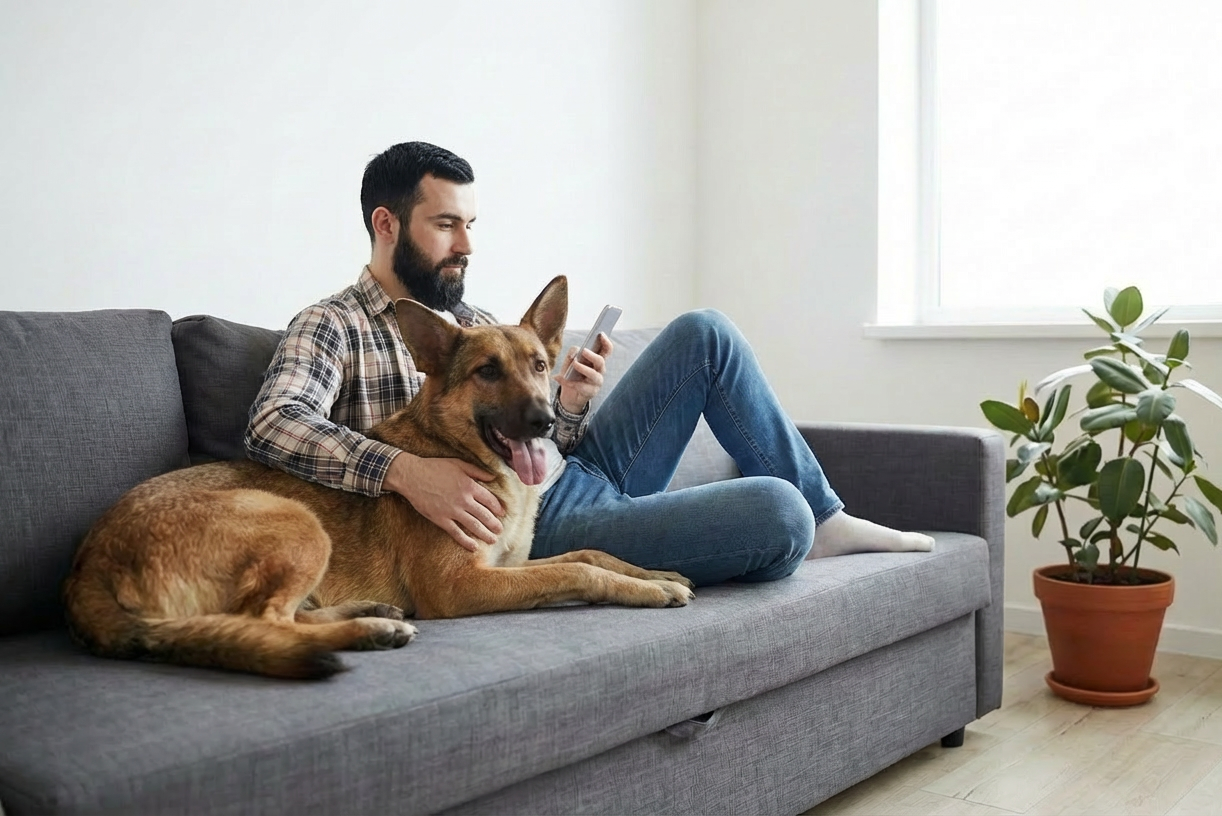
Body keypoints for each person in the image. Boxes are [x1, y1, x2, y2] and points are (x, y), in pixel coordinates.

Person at [245, 142, 933, 588]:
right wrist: (407, 472)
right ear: (386, 224)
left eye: (471, 226)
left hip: (567, 478)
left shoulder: (483, 327)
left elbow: (538, 439)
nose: (467, 245)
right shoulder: (330, 324)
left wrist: (568, 403)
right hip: (522, 523)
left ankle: (829, 515)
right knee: (778, 515)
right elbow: (274, 425)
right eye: (447, 224)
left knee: (705, 333)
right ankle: (804, 521)